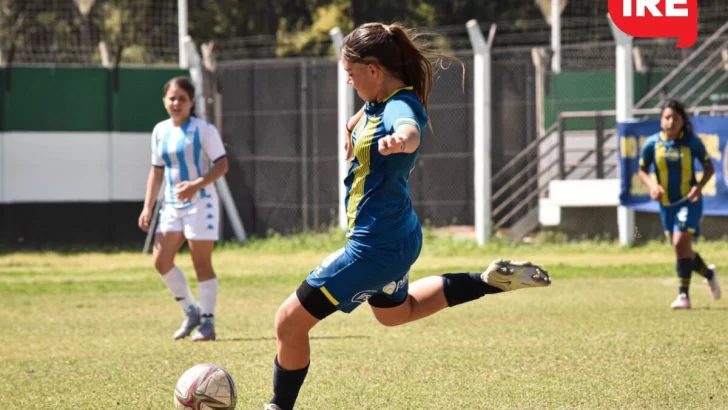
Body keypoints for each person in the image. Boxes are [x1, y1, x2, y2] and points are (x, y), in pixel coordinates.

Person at [263, 23, 552, 410]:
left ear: (374, 70)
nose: (347, 81)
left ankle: (278, 407)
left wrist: (401, 141)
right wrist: (351, 129)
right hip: (399, 238)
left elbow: (409, 128)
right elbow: (365, 114)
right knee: (397, 314)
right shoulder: (378, 101)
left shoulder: (400, 106)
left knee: (288, 322)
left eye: (350, 74)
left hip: (373, 247)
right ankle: (487, 281)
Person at [138, 76, 229, 341]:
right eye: (172, 98)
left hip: (201, 203)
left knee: (200, 262)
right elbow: (156, 171)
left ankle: (208, 323)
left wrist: (195, 185)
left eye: (182, 99)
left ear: (191, 102)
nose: (176, 103)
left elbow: (222, 165)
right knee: (161, 260)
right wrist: (147, 206)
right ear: (164, 100)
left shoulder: (203, 129)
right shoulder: (160, 131)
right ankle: (191, 311)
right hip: (171, 205)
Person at [638, 98, 721, 310]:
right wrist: (652, 186)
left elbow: (709, 168)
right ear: (660, 120)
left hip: (689, 201)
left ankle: (683, 296)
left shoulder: (692, 142)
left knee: (679, 243)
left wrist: (699, 186)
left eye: (675, 118)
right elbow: (642, 170)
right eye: (666, 117)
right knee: (682, 250)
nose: (670, 122)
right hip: (666, 204)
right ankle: (709, 274)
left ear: (683, 121)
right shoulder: (652, 144)